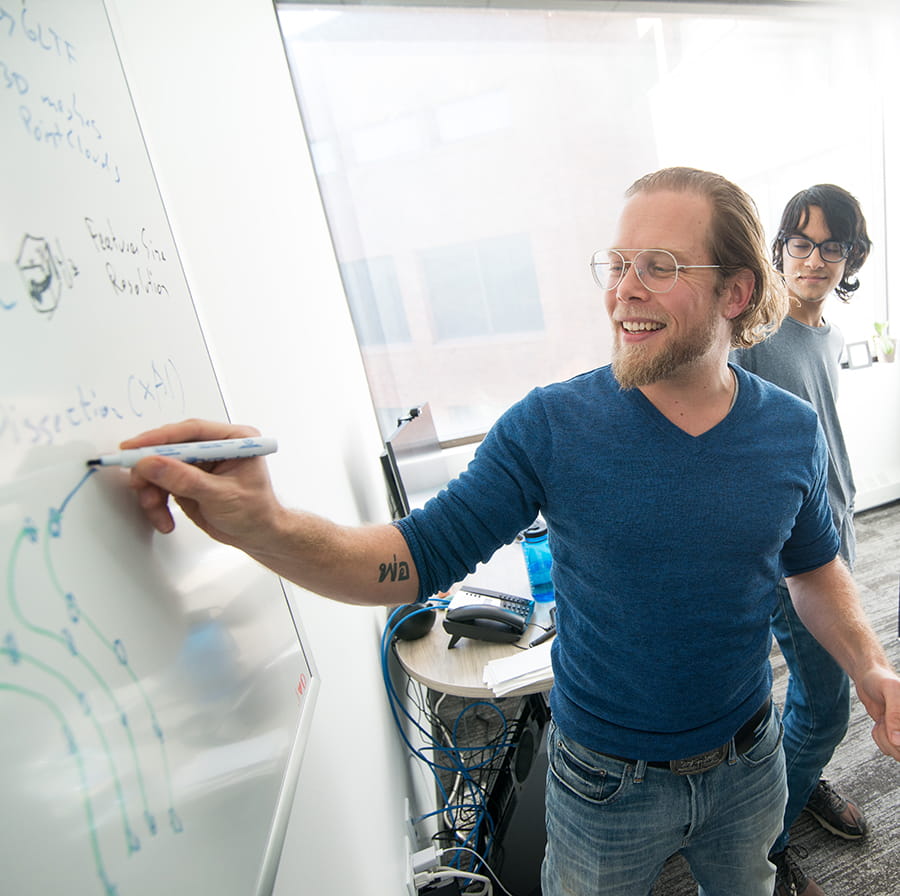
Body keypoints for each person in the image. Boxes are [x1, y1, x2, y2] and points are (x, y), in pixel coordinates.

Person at [122, 167, 900, 896]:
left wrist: (868, 668)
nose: (623, 292)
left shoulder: (790, 432)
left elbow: (813, 567)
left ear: (736, 290)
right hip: (605, 786)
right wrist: (268, 527)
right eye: (616, 264)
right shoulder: (552, 425)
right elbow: (413, 557)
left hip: (749, 761)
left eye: (659, 266)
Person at [732, 184, 873, 896]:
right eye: (802, 242)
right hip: (792, 556)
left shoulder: (830, 336)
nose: (815, 259)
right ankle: (768, 844)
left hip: (836, 535)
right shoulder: (752, 340)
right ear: (780, 248)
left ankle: (800, 779)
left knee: (810, 710)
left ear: (850, 256)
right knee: (826, 704)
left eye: (833, 245)